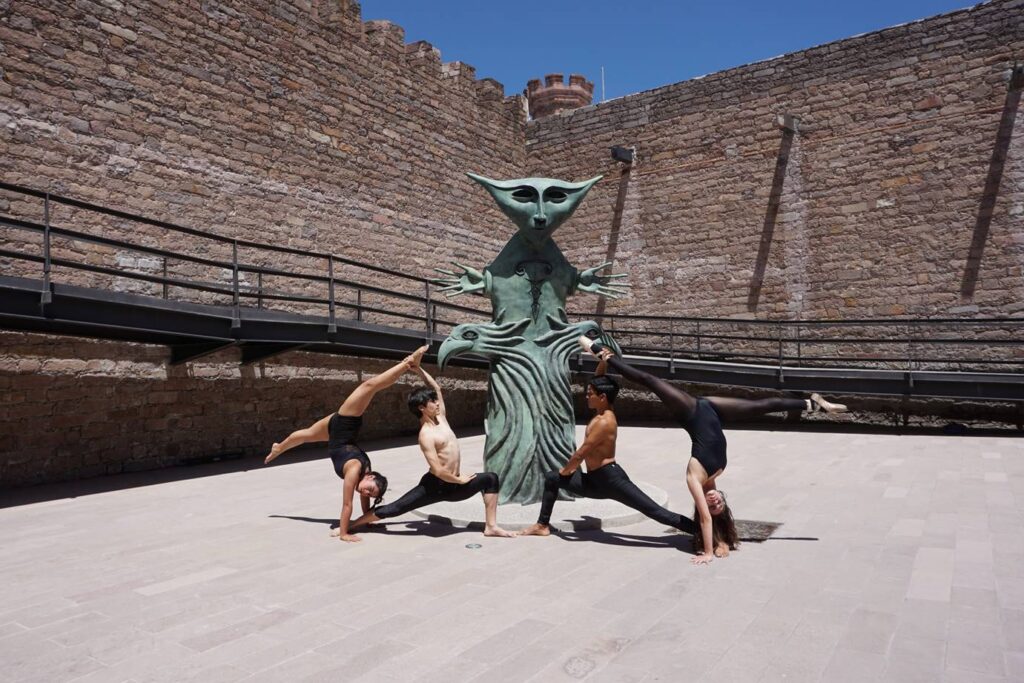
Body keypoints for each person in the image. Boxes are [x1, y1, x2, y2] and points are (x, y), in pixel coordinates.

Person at [578, 336, 847, 564]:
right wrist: (723, 542)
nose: (716, 501)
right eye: (721, 504)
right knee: (757, 406)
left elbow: (705, 519)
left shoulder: (695, 477)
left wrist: (708, 551)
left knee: (649, 380)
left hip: (693, 411)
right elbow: (713, 516)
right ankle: (811, 404)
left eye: (713, 504)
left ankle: (602, 352)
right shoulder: (716, 473)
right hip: (712, 409)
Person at [520, 351, 700, 556]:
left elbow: (580, 454)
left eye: (590, 393)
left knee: (655, 512)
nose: (587, 395)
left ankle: (706, 532)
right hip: (595, 480)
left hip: (611, 480)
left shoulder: (605, 422)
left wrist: (566, 471)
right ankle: (542, 525)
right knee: (552, 479)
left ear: (603, 397)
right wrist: (602, 361)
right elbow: (599, 380)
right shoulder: (601, 412)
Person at [264, 345, 428, 542]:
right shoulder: (355, 470)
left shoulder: (363, 476)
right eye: (370, 488)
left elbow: (363, 500)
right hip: (345, 425)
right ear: (371, 475)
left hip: (336, 435)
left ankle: (279, 447)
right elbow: (347, 505)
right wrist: (344, 534)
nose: (365, 491)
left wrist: (366, 520)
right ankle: (409, 362)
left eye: (370, 492)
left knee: (306, 435)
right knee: (370, 386)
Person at [347, 363, 517, 538]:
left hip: (455, 486)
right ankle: (351, 525)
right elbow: (437, 470)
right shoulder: (425, 435)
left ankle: (491, 526)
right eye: (432, 402)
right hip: (435, 486)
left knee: (490, 479)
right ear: (422, 407)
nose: (437, 403)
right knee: (396, 508)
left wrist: (419, 369)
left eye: (436, 401)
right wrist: (460, 479)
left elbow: (436, 387)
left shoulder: (441, 418)